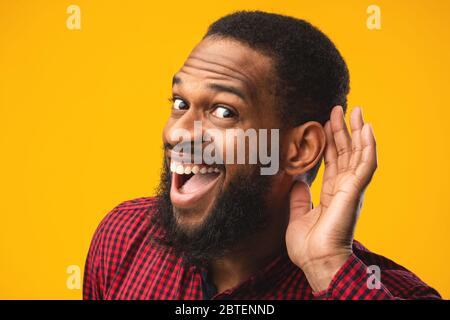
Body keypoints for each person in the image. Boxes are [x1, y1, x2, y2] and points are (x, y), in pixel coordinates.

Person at [83, 11, 441, 299]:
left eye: (223, 112)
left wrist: (327, 265)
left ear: (300, 149)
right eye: (180, 103)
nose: (177, 132)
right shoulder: (124, 235)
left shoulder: (387, 291)